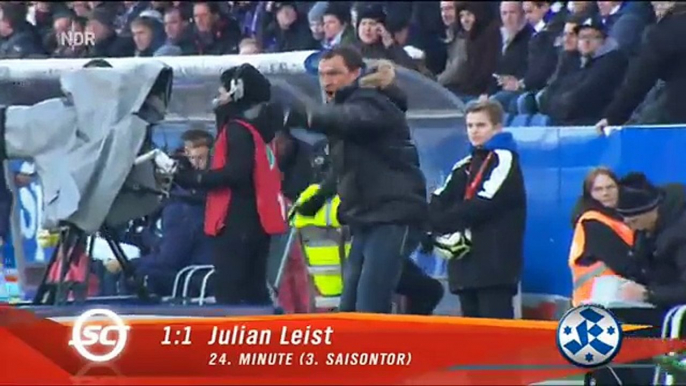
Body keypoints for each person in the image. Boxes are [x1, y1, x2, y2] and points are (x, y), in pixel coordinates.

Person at [285, 47, 429, 314]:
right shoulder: (343, 111)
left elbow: (350, 119)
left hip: (394, 212)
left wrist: (308, 116)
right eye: (322, 74)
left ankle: (384, 349)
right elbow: (344, 166)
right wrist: (318, 197)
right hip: (364, 216)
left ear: (355, 73)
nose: (327, 80)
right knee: (349, 307)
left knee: (369, 304)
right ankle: (424, 291)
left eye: (335, 73)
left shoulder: (373, 103)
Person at [174, 63, 287, 306]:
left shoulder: (237, 129)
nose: (219, 97)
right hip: (254, 220)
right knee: (254, 293)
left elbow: (235, 174)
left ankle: (234, 342)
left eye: (223, 91)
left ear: (237, 91)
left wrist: (191, 178)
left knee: (231, 296)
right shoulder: (260, 130)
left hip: (237, 222)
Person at [426, 100, 526, 319]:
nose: (474, 131)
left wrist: (443, 222)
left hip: (494, 264)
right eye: (470, 126)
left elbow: (485, 201)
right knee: (472, 336)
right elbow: (439, 198)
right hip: (464, 265)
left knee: (496, 335)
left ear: (497, 127)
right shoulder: (465, 164)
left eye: (481, 125)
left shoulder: (504, 158)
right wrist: (431, 223)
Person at [568, 167, 642, 307]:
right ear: (589, 194)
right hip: (597, 306)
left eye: (610, 187)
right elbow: (624, 264)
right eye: (598, 189)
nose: (605, 193)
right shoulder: (592, 222)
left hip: (617, 302)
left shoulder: (620, 219)